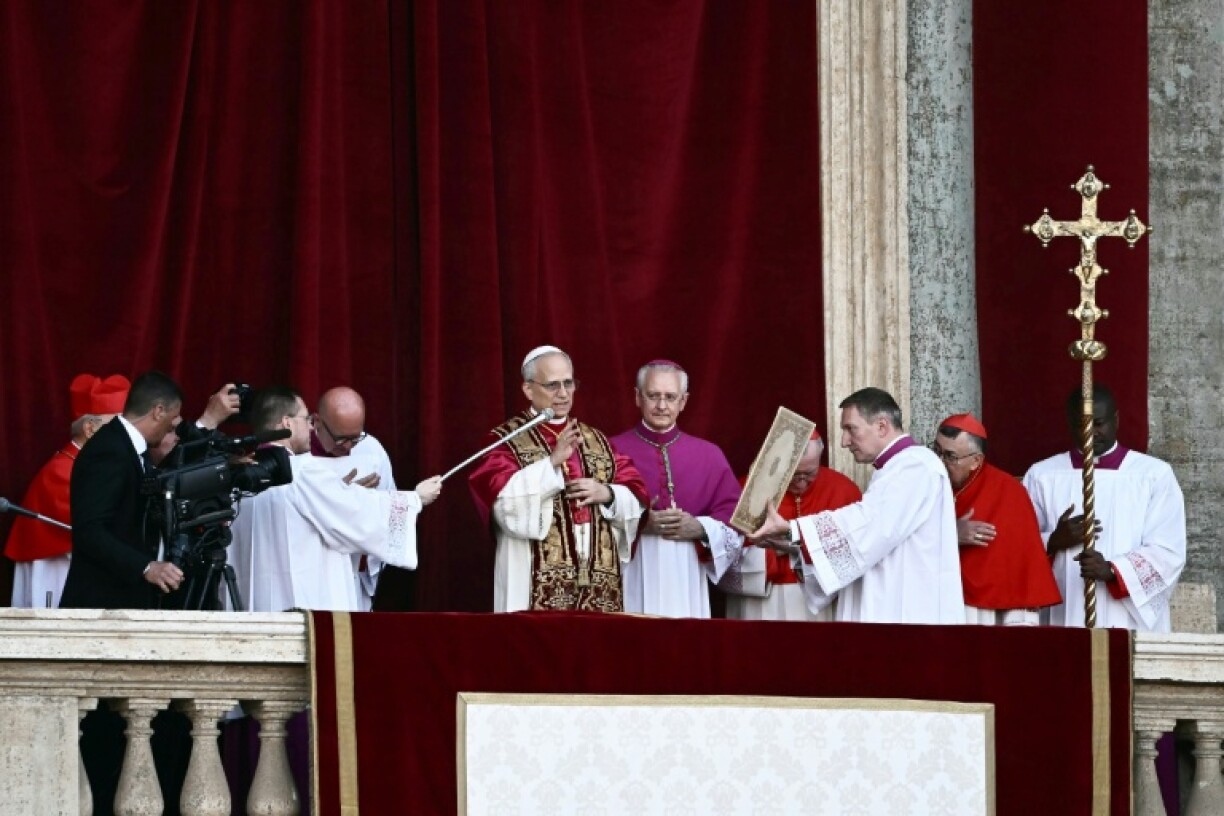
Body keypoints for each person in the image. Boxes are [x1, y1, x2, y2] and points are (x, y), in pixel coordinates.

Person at [750, 387, 964, 624]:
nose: (844, 442)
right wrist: (796, 545)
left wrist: (794, 530)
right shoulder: (897, 467)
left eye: (850, 429)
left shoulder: (915, 466)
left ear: (882, 426)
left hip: (904, 611)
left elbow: (869, 526)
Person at [227, 386, 441, 611]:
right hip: (302, 606)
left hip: (255, 609)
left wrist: (342, 492)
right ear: (287, 423)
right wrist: (415, 499)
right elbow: (356, 515)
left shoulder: (241, 477)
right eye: (305, 418)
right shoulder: (302, 471)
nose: (311, 426)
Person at [469, 345, 648, 612]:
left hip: (597, 583)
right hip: (531, 579)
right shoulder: (505, 440)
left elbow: (637, 493)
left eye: (568, 383)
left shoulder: (597, 441)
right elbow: (503, 505)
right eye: (553, 385)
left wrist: (608, 494)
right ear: (529, 389)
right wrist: (551, 464)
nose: (563, 394)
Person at [1023, 385, 1186, 631]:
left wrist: (1113, 570)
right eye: (1081, 423)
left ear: (1116, 420)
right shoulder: (1042, 476)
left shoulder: (1153, 475)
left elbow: (1168, 551)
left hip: (1126, 616)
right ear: (1069, 423)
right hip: (1062, 609)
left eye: (1099, 423)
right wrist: (1053, 541)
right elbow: (1017, 547)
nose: (1090, 432)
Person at [610, 360, 742, 618]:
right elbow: (591, 518)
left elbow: (735, 518)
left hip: (687, 569)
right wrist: (639, 523)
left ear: (683, 401)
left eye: (670, 397)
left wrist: (701, 528)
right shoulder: (610, 450)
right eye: (653, 396)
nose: (661, 406)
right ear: (638, 397)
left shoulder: (709, 455)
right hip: (633, 567)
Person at [5, 373, 130, 608]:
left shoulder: (89, 463)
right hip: (55, 570)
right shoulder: (62, 471)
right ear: (90, 428)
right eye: (116, 424)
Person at [934, 412, 1061, 625]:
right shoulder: (926, 483)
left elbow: (1019, 569)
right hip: (937, 601)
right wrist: (950, 533)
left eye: (950, 456)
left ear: (976, 461)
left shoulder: (1009, 493)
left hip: (987, 614)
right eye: (936, 451)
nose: (940, 462)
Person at [722, 429, 862, 621]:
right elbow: (722, 553)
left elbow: (856, 553)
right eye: (794, 474)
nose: (802, 481)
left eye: (810, 473)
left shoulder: (843, 490)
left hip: (819, 600)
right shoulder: (746, 490)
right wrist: (771, 556)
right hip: (760, 600)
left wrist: (799, 550)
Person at [309, 385, 397, 610]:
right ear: (317, 422)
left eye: (355, 438)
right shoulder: (301, 453)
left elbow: (391, 513)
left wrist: (369, 504)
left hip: (353, 572)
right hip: (310, 572)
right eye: (341, 439)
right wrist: (344, 498)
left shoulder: (371, 449)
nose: (348, 447)